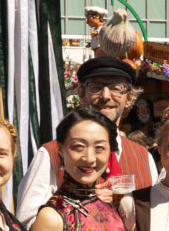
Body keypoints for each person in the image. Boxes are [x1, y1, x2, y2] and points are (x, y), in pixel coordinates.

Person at [16, 58, 158, 217]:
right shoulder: (51, 154)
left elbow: (155, 220)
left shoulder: (144, 158)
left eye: (116, 88)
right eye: (96, 87)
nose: (105, 96)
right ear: (81, 94)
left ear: (129, 98)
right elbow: (27, 220)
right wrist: (82, 209)